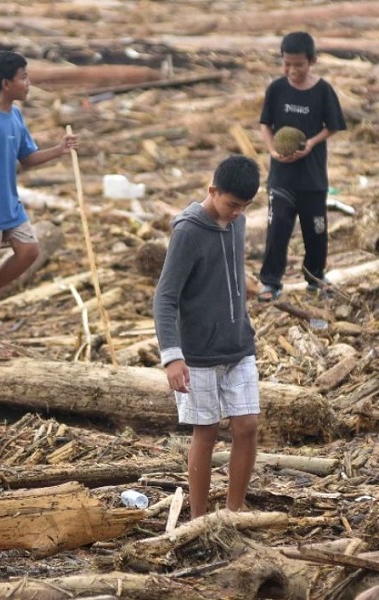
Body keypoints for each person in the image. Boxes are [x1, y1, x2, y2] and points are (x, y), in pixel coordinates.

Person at [153, 155, 262, 519]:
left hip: (238, 342)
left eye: (244, 206)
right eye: (232, 204)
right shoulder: (187, 232)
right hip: (197, 351)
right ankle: (199, 518)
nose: (236, 212)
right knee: (207, 430)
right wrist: (172, 355)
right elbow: (165, 297)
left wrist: (243, 285)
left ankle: (235, 508)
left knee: (247, 426)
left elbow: (226, 266)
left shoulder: (238, 223)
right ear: (212, 190)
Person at [0, 50, 78, 359]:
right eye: (24, 77)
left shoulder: (15, 116)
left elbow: (27, 158)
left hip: (8, 203)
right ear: (6, 83)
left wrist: (59, 150)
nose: (29, 83)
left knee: (29, 251)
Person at [257, 31, 347, 302]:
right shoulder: (276, 89)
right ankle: (271, 283)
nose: (292, 70)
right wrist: (273, 149)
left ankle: (315, 277)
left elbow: (333, 126)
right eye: (287, 64)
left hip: (312, 177)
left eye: (298, 65)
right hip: (282, 176)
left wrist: (310, 144)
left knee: (316, 230)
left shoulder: (323, 91)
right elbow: (265, 124)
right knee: (277, 229)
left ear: (312, 61)